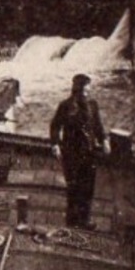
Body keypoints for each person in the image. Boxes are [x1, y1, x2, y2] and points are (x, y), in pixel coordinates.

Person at [50, 74, 108, 229]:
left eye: (88, 87)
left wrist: (104, 140)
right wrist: (55, 144)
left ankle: (85, 219)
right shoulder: (65, 106)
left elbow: (98, 126)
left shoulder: (92, 105)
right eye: (85, 87)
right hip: (71, 153)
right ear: (78, 89)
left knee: (88, 187)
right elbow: (55, 125)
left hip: (88, 153)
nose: (88, 90)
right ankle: (72, 220)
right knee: (73, 187)